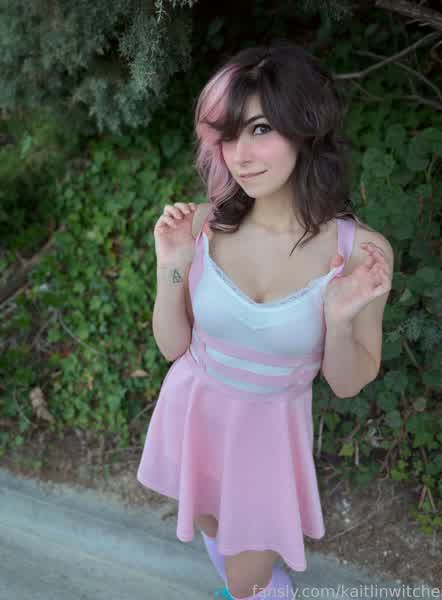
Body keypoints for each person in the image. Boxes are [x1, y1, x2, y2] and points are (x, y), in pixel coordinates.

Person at [137, 40, 394, 599]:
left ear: (305, 129)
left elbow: (347, 384)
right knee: (214, 532)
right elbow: (173, 346)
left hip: (267, 439)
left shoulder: (359, 252)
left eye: (259, 130)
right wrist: (171, 266)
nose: (240, 156)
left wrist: (338, 317)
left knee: (245, 581)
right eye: (228, 136)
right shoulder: (202, 225)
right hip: (194, 413)